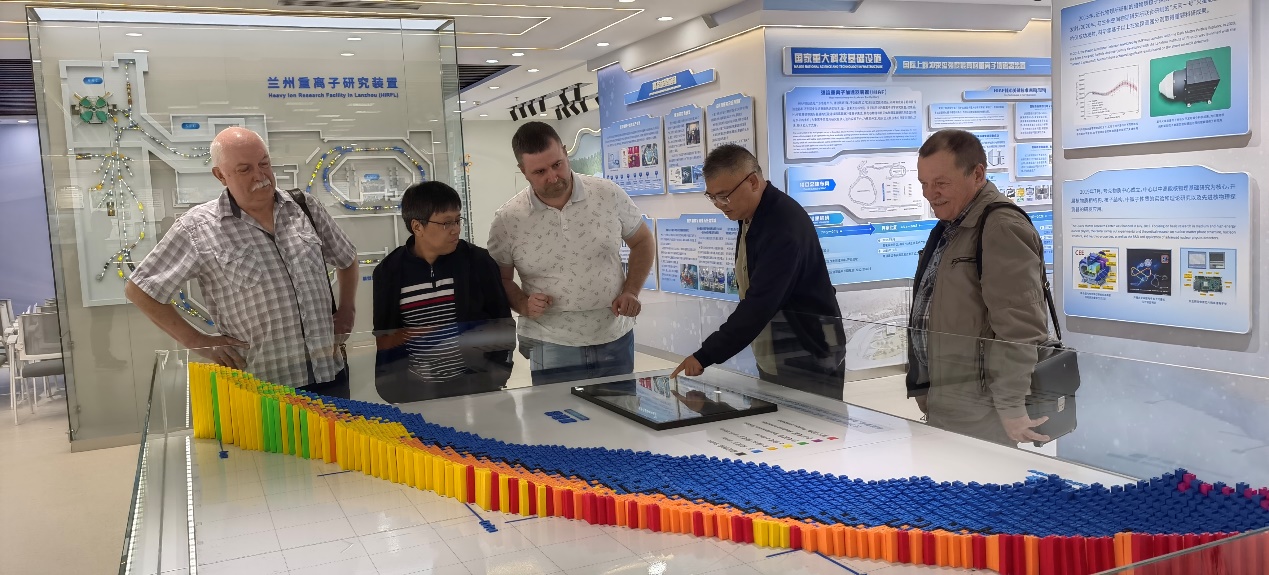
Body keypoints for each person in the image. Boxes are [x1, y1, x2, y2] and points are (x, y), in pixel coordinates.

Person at [126, 127, 358, 396]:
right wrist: (198, 341)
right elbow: (140, 290)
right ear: (220, 175)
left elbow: (347, 258)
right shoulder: (198, 228)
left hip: (330, 373)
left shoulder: (305, 208)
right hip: (262, 388)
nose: (260, 176)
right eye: (245, 169)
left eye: (264, 164)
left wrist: (347, 310)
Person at [907, 129, 1050, 446]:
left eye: (941, 183)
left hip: (983, 411)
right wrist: (923, 386)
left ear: (977, 174)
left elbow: (1020, 326)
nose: (930, 194)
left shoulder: (1000, 227)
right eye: (924, 183)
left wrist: (1012, 406)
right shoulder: (951, 225)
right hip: (950, 399)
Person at [670, 145, 845, 397]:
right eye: (712, 197)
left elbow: (759, 304)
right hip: (780, 349)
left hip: (807, 352)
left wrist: (705, 354)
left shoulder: (782, 225)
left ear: (752, 182)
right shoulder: (751, 215)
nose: (719, 205)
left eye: (724, 196)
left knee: (806, 421)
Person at [488, 121, 655, 385]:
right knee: (559, 412)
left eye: (557, 164)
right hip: (551, 342)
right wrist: (523, 304)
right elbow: (500, 279)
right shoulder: (508, 219)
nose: (553, 177)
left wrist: (631, 290)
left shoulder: (607, 194)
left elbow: (643, 241)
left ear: (565, 152)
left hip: (614, 336)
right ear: (523, 171)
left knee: (620, 411)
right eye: (540, 171)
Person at [371, 181, 515, 403]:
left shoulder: (478, 262)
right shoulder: (389, 272)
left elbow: (502, 322)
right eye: (447, 223)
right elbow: (385, 337)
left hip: (477, 388)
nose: (456, 229)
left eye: (457, 220)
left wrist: (495, 375)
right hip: (416, 392)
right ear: (417, 227)